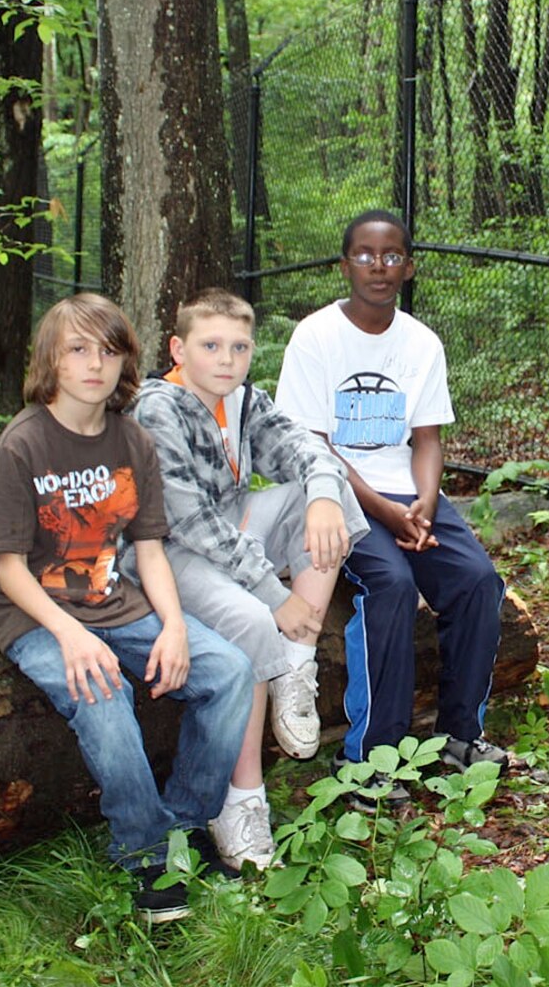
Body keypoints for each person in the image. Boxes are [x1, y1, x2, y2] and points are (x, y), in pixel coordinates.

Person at [0, 293, 252, 923]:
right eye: (78, 350)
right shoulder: (20, 446)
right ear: (51, 358)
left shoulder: (132, 440)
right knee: (102, 690)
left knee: (231, 671)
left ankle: (182, 827)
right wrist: (70, 638)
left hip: (114, 601)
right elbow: (8, 568)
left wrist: (177, 628)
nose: (94, 365)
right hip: (37, 614)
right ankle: (144, 854)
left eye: (109, 351)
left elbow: (150, 549)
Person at [123, 288, 366, 868]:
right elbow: (189, 522)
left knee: (334, 505)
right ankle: (240, 800)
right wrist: (274, 595)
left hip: (228, 533)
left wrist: (325, 495)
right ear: (179, 349)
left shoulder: (245, 401)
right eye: (210, 346)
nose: (226, 359)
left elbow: (305, 452)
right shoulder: (158, 408)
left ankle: (297, 663)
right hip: (166, 553)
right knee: (255, 622)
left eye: (239, 346)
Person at [274, 209, 512, 790]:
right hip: (335, 494)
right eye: (363, 254)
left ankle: (460, 736)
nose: (377, 267)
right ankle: (370, 761)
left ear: (408, 266)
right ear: (344, 264)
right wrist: (383, 510)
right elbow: (312, 445)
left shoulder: (422, 343)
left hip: (409, 495)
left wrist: (426, 504)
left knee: (478, 581)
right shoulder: (316, 336)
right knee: (391, 584)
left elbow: (427, 439)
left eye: (390, 256)